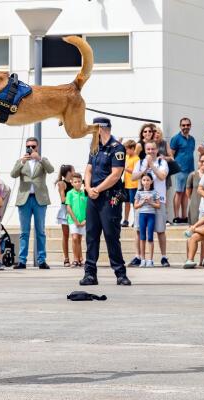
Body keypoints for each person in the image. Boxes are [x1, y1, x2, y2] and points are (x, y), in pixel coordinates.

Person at [80, 117, 131, 286]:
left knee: (111, 235)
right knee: (91, 236)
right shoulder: (94, 148)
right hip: (93, 197)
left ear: (100, 128)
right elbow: (88, 170)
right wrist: (88, 188)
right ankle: (90, 274)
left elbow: (116, 174)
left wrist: (97, 189)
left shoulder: (117, 148)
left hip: (109, 197)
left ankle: (120, 273)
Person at [10, 137, 54, 269]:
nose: (31, 149)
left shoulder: (42, 161)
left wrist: (39, 158)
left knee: (40, 231)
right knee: (24, 232)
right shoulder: (22, 161)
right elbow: (13, 174)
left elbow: (51, 169)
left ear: (37, 147)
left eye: (33, 146)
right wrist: (22, 162)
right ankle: (22, 260)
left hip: (39, 199)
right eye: (28, 146)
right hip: (25, 199)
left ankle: (41, 260)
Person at [131, 141, 171, 267]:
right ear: (145, 149)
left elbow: (162, 176)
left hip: (158, 199)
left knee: (160, 230)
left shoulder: (162, 162)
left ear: (157, 149)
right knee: (139, 230)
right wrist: (144, 168)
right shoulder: (140, 162)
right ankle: (139, 256)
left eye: (153, 149)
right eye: (148, 149)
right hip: (142, 200)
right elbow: (133, 177)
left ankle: (164, 257)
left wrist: (152, 165)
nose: (150, 151)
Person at [170, 117, 195, 223]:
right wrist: (175, 166)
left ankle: (184, 216)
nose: (186, 127)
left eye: (188, 125)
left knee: (186, 193)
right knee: (179, 192)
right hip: (180, 170)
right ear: (180, 126)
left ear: (190, 126)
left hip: (190, 169)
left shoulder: (192, 139)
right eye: (183, 125)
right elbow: (171, 153)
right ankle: (176, 216)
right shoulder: (176, 138)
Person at [134, 173, 161, 267]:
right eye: (144, 180)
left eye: (148, 180)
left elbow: (158, 205)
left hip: (151, 215)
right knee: (142, 237)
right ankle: (142, 259)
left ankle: (150, 260)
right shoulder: (139, 192)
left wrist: (150, 202)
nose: (146, 182)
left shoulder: (154, 192)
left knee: (150, 237)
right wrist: (142, 202)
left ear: (151, 182)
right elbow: (135, 205)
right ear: (141, 181)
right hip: (142, 215)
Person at [65, 172, 87, 267]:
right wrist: (76, 221)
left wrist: (85, 220)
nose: (77, 183)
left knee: (79, 239)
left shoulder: (84, 194)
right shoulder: (70, 193)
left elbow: (88, 208)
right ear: (72, 183)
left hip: (83, 221)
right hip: (73, 220)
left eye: (79, 181)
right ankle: (75, 259)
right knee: (74, 238)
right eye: (75, 182)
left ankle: (80, 258)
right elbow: (68, 208)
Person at [55, 165, 74, 267]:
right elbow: (63, 199)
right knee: (66, 235)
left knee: (76, 236)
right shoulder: (62, 183)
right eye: (73, 170)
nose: (75, 172)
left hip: (75, 210)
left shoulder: (75, 182)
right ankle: (66, 258)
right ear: (69, 172)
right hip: (65, 210)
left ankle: (78, 258)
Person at [186, 154, 204, 225]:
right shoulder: (192, 175)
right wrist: (194, 199)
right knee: (193, 227)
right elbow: (188, 191)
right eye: (201, 161)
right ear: (198, 162)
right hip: (195, 205)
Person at [122, 139, 139, 227]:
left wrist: (126, 168)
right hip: (126, 184)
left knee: (134, 203)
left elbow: (136, 172)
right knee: (127, 202)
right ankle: (125, 220)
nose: (126, 151)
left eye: (127, 149)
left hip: (133, 185)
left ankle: (136, 220)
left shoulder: (136, 159)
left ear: (132, 148)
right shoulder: (127, 157)